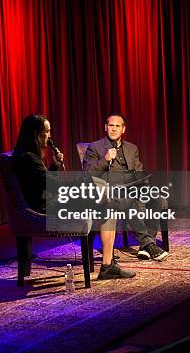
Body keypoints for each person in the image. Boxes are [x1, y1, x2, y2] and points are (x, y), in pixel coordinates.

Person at [13, 114, 135, 280]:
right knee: (106, 201)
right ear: (37, 133)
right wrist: (83, 181)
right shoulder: (28, 158)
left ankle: (108, 264)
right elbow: (54, 186)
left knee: (105, 198)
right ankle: (107, 266)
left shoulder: (27, 155)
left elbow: (44, 181)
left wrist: (55, 165)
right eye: (46, 132)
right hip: (45, 209)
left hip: (49, 202)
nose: (50, 136)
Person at [83, 112, 168, 261]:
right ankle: (148, 244)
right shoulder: (94, 147)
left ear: (123, 129)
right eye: (111, 125)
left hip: (132, 185)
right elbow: (87, 174)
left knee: (155, 197)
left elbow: (138, 170)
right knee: (128, 200)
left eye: (117, 126)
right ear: (105, 127)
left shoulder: (132, 148)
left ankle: (145, 246)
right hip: (110, 189)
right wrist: (105, 159)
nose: (114, 129)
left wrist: (142, 179)